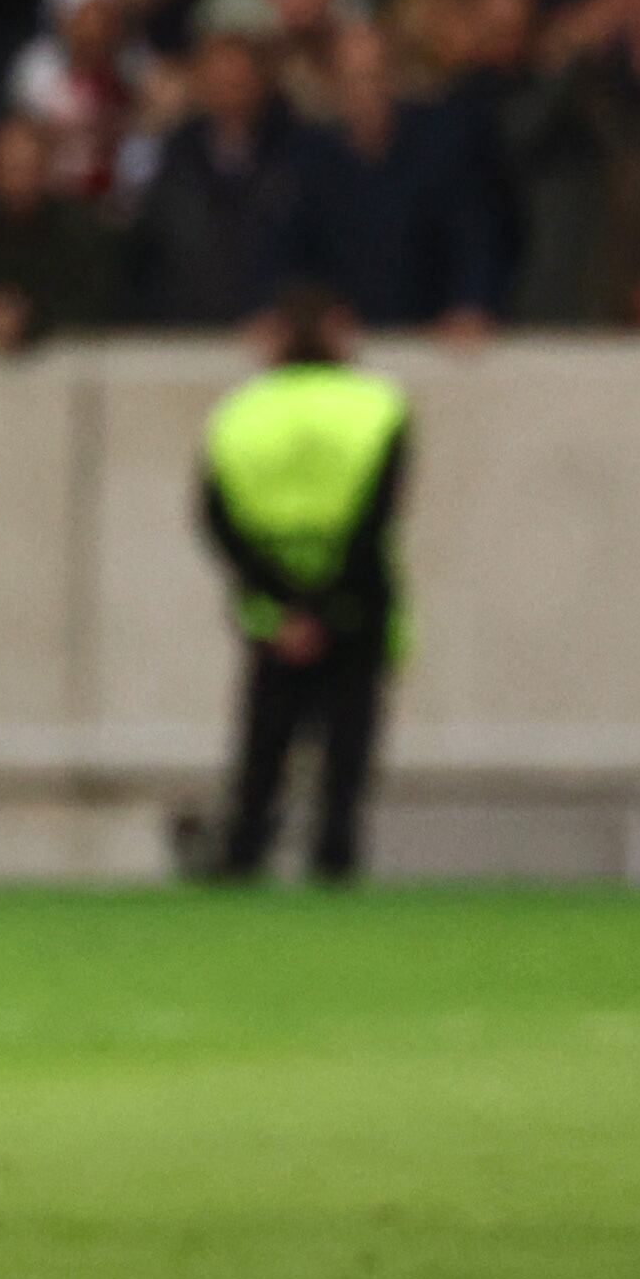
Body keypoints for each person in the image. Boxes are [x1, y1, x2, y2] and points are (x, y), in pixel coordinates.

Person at [197, 286, 408, 884]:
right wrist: (325, 603)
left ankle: (244, 851)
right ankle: (334, 855)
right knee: (347, 745)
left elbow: (216, 518)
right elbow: (377, 516)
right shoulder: (378, 406)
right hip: (357, 598)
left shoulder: (240, 409)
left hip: (270, 604)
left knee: (266, 739)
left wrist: (284, 603)